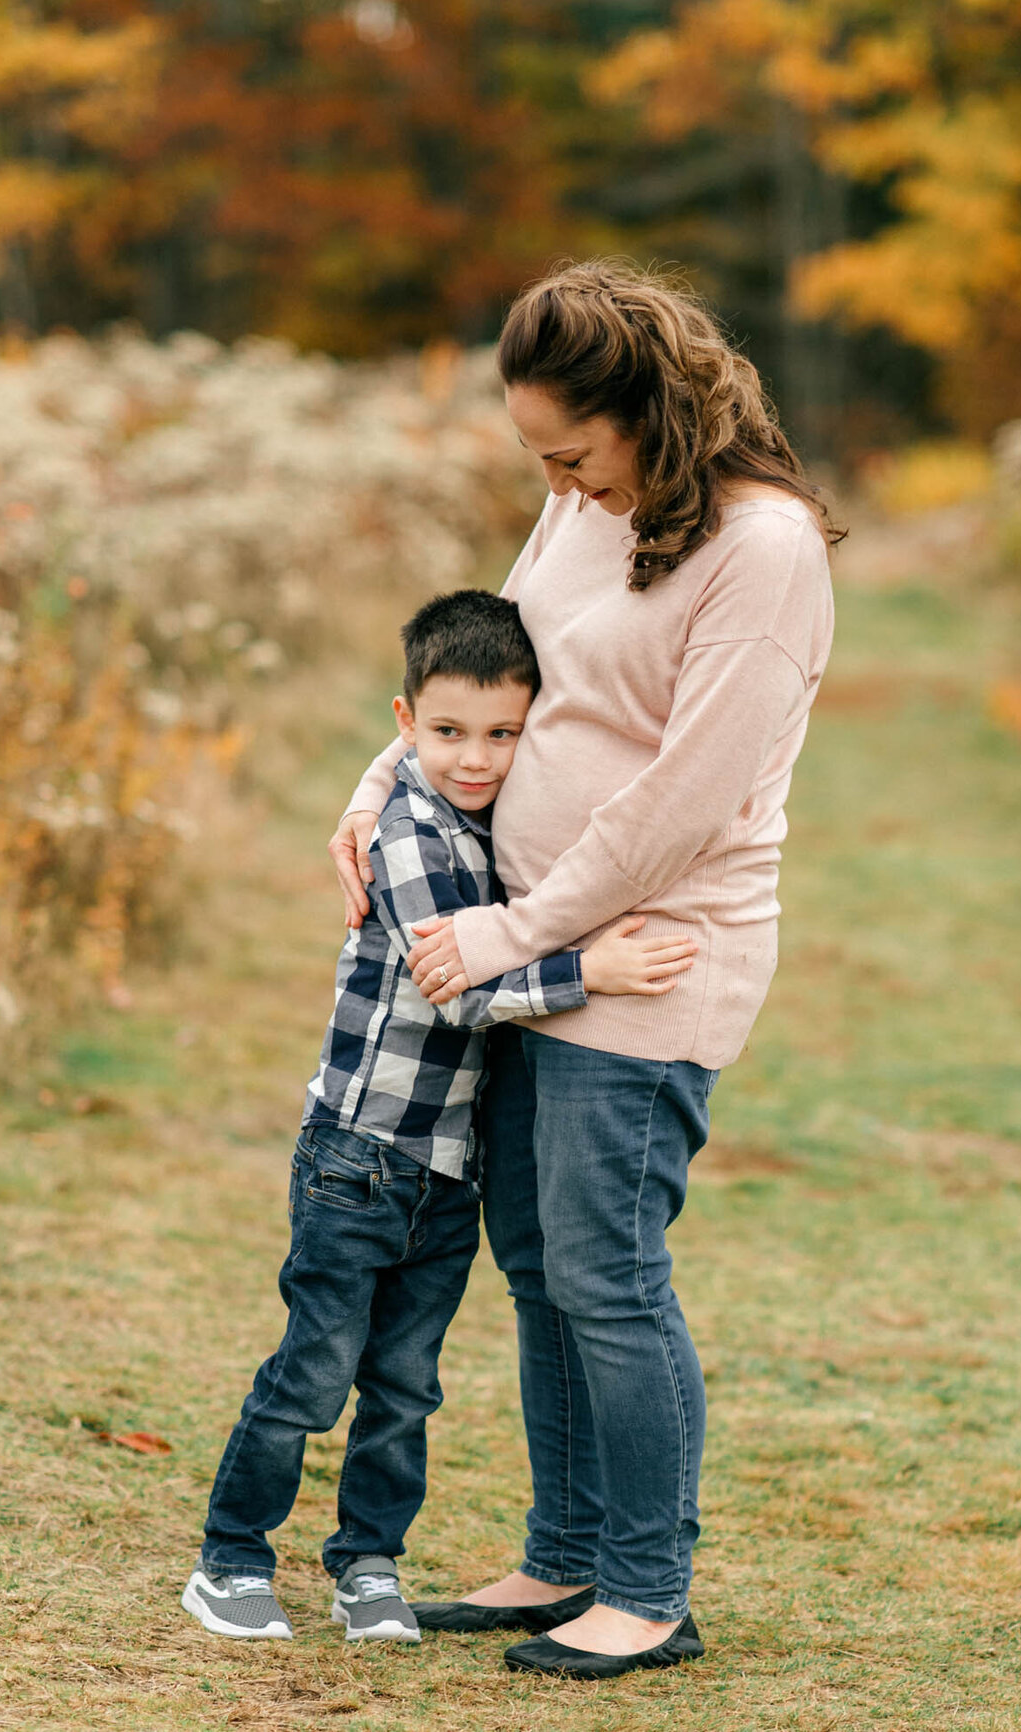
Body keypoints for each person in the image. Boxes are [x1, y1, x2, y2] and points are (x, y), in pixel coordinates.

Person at [329, 260, 840, 1678]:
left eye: (574, 453)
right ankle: (562, 1555)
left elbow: (685, 800)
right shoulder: (581, 501)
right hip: (552, 941)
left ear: (652, 413)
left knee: (608, 1269)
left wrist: (504, 933)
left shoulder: (766, 550)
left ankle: (645, 1588)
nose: (559, 482)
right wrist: (382, 784)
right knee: (540, 1258)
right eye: (541, 459)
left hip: (655, 950)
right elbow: (496, 652)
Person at [181, 588, 696, 1644]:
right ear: (405, 720)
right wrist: (587, 968)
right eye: (450, 731)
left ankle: (368, 1563)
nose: (476, 757)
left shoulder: (486, 819)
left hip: (442, 1169)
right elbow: (455, 986)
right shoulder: (410, 834)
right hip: (359, 1158)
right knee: (316, 1371)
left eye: (504, 733)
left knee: (407, 1387)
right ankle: (231, 1557)